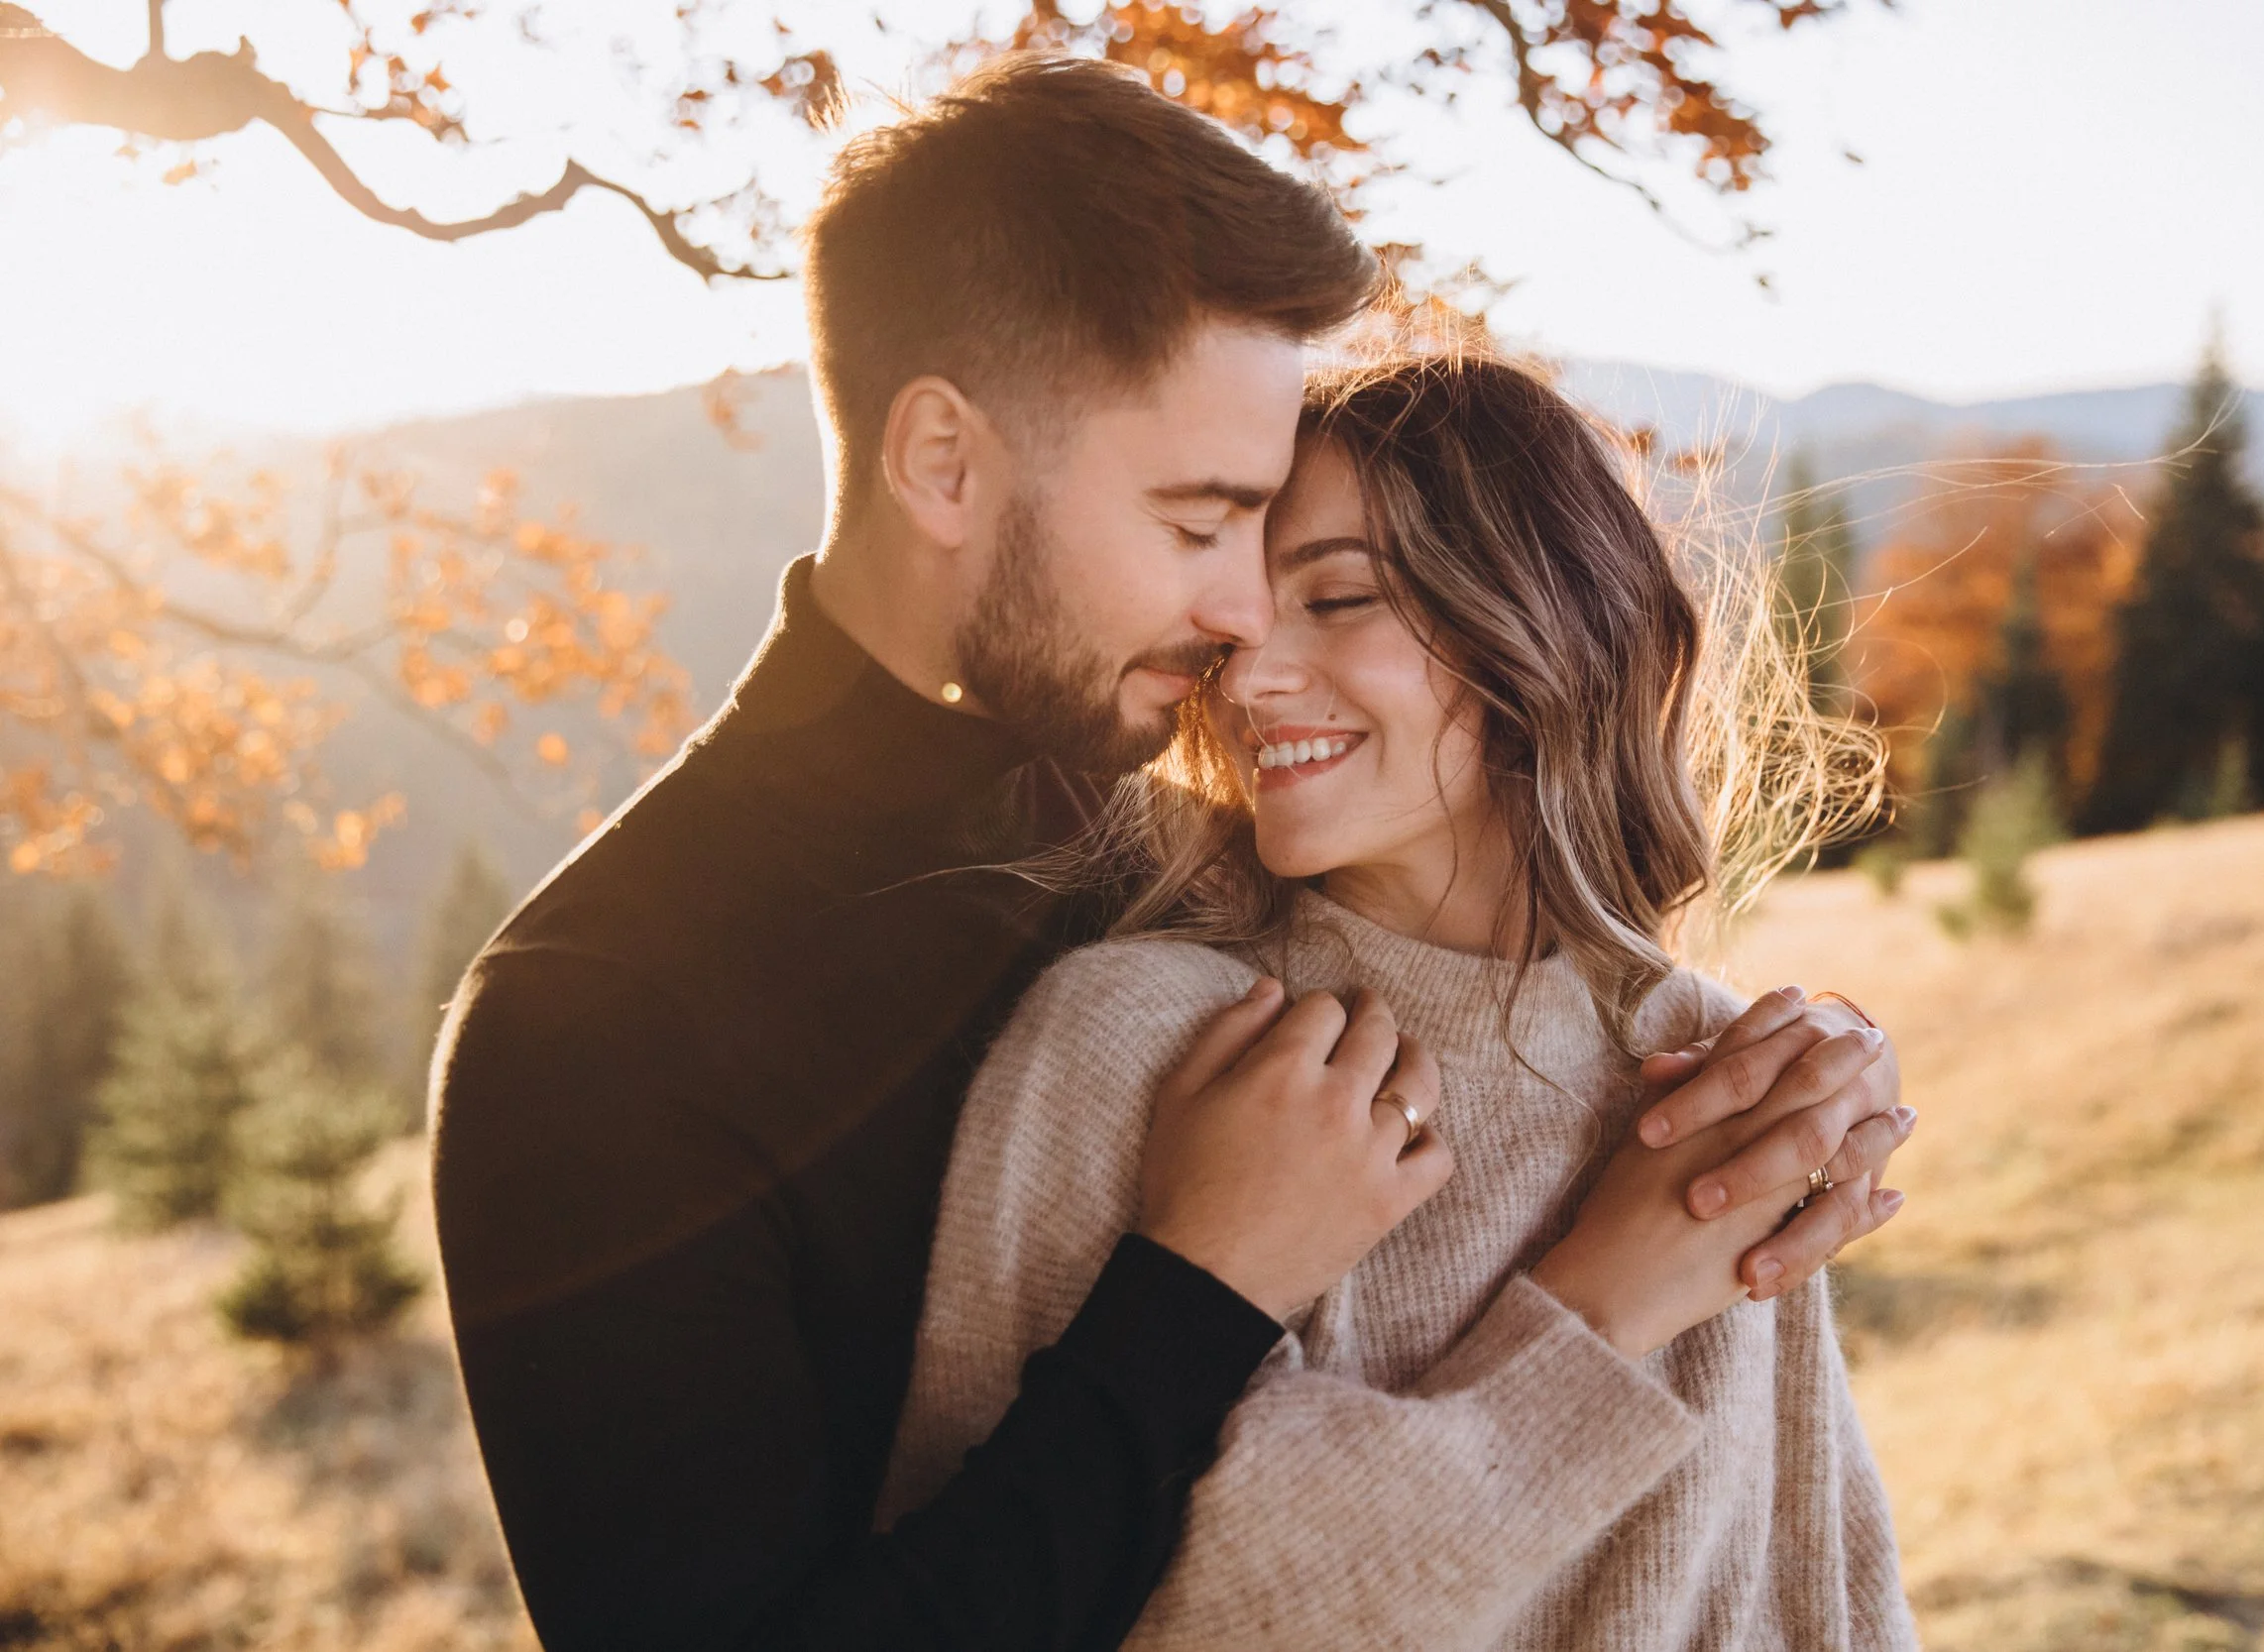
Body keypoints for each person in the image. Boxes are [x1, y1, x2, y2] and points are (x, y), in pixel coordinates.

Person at [431, 55, 1909, 1652]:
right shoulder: (594, 1019)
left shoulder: (1190, 833)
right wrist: (1197, 1287)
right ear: (943, 464)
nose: (1236, 620)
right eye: (1202, 519)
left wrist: (1809, 1064)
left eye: (1278, 548)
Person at [878, 353, 1916, 1648]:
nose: (1251, 682)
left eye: (1340, 597)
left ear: (1545, 620)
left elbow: (1816, 1592)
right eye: (1247, 629)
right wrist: (1599, 1312)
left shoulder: (1718, 1070)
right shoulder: (1135, 1044)